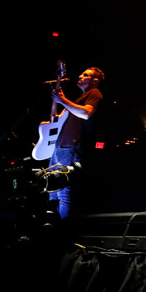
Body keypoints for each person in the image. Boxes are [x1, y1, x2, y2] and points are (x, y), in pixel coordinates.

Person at [47, 66, 104, 218]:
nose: (80, 75)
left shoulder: (94, 93)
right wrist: (60, 101)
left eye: (85, 74)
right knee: (52, 190)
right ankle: (51, 224)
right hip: (60, 147)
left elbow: (86, 113)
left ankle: (61, 229)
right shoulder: (78, 99)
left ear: (95, 80)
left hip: (70, 147)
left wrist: (63, 100)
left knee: (63, 192)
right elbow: (55, 119)